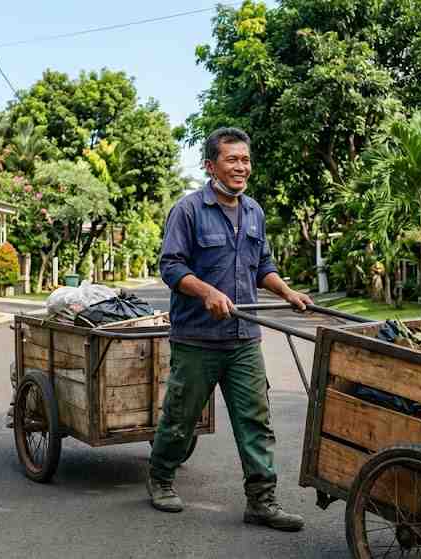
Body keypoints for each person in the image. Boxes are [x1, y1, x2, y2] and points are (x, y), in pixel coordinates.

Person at [147, 127, 312, 532]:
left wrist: (288, 292)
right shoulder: (188, 210)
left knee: (256, 420)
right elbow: (171, 267)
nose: (241, 167)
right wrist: (206, 292)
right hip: (198, 339)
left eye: (245, 160)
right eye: (232, 159)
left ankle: (262, 500)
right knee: (181, 418)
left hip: (243, 341)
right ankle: (161, 476)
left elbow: (263, 267)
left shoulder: (254, 211)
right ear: (210, 165)